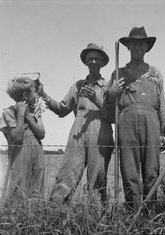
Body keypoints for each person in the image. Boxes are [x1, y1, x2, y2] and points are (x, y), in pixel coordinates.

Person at [40, 43, 114, 203]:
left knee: (97, 178)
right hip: (77, 135)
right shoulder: (78, 85)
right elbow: (62, 109)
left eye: (97, 59)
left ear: (102, 62)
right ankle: (54, 213)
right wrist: (43, 94)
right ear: (86, 62)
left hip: (102, 136)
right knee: (67, 173)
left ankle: (96, 218)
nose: (94, 62)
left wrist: (97, 99)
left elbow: (114, 116)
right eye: (90, 59)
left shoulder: (108, 86)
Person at [105, 26, 165, 211]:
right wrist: (112, 92)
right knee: (129, 170)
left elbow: (162, 103)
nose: (138, 47)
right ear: (128, 47)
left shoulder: (155, 72)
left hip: (151, 123)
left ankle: (150, 215)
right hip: (126, 123)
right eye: (134, 43)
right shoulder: (118, 73)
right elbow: (108, 103)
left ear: (147, 47)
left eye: (142, 43)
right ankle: (132, 213)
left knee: (151, 171)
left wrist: (163, 131)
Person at [0, 75, 45, 199]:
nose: (37, 94)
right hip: (19, 158)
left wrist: (28, 116)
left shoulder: (36, 111)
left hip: (38, 157)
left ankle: (36, 217)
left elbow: (41, 134)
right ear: (25, 95)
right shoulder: (8, 113)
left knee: (37, 193)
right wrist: (20, 115)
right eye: (35, 91)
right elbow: (17, 138)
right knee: (17, 191)